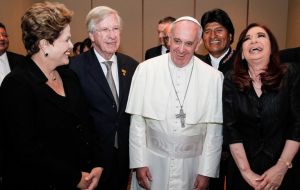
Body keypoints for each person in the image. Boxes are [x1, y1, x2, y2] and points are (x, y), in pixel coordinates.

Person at [0, 2, 104, 189]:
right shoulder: (17, 84)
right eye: (66, 40)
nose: (71, 46)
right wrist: (74, 178)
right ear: (44, 44)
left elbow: (87, 125)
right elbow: (26, 150)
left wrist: (97, 163)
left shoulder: (69, 75)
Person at [126, 16, 223, 190]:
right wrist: (138, 163)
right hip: (153, 162)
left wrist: (206, 172)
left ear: (198, 44)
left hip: (193, 166)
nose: (181, 49)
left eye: (188, 43)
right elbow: (137, 123)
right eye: (177, 41)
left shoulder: (213, 78)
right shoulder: (145, 70)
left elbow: (214, 131)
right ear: (168, 39)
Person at [223, 23, 300, 190]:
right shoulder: (231, 80)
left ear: (271, 48)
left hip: (283, 172)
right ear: (242, 53)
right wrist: (246, 173)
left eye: (260, 36)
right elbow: (231, 128)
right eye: (247, 39)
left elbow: (297, 124)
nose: (253, 41)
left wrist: (281, 168)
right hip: (242, 173)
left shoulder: (290, 74)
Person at [70, 6, 138, 190]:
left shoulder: (132, 66)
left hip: (123, 156)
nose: (112, 35)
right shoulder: (74, 69)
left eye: (115, 29)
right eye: (105, 30)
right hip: (90, 160)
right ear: (92, 35)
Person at [199, 8, 235, 190]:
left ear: (230, 36)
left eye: (219, 30)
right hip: (202, 148)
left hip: (237, 146)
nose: (213, 36)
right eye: (207, 31)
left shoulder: (242, 63)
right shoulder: (195, 65)